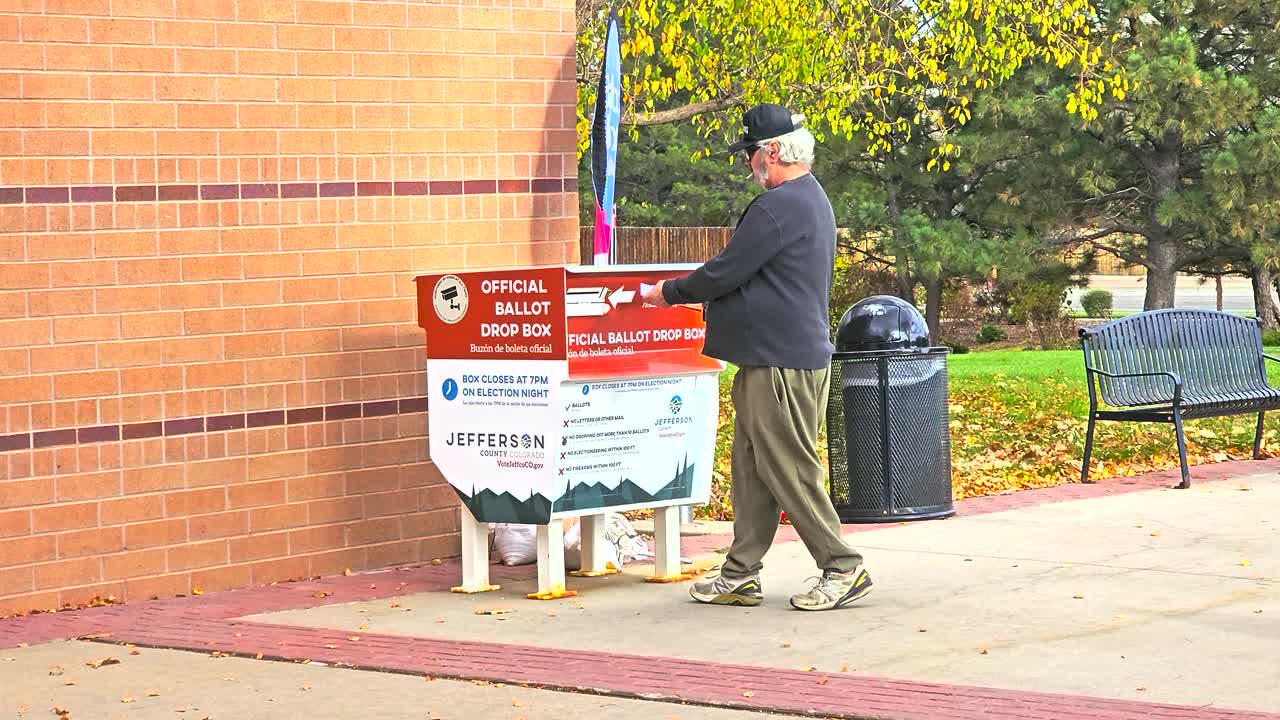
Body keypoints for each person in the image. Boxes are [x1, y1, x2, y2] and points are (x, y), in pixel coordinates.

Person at [641, 103, 872, 611]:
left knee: (787, 466)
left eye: (750, 153)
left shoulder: (779, 205)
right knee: (751, 468)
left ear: (772, 151)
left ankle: (843, 566)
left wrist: (668, 292)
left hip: (780, 361)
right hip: (776, 357)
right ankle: (740, 573)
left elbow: (727, 270)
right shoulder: (809, 199)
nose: (748, 163)